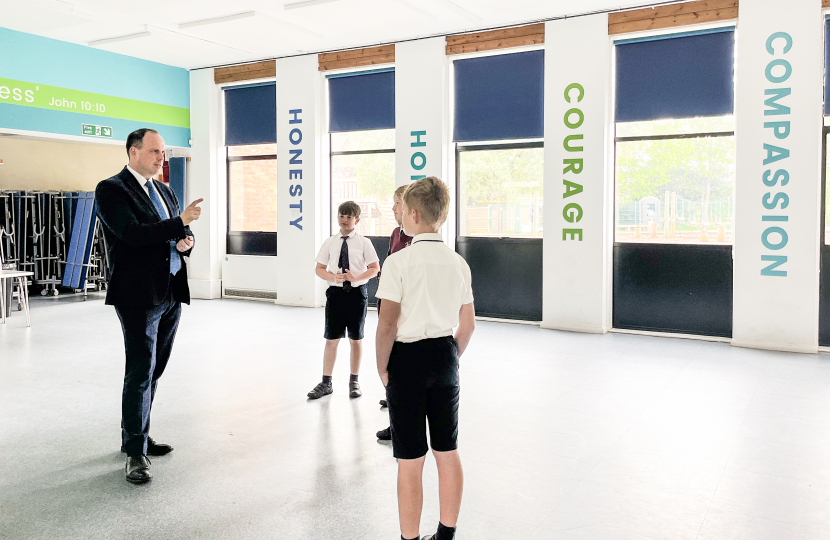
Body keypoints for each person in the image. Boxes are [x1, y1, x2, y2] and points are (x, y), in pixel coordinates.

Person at [96, 128, 202, 484]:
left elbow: (176, 233)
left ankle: (139, 433)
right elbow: (133, 235)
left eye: (163, 153)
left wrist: (187, 241)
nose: (161, 158)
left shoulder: (165, 190)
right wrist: (180, 223)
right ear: (133, 152)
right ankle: (135, 453)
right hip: (138, 295)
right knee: (140, 371)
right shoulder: (111, 189)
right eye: (155, 151)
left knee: (155, 369)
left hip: (170, 290)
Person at [375, 177, 475, 540]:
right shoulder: (458, 264)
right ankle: (445, 534)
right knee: (447, 451)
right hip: (445, 356)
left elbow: (387, 324)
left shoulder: (399, 263)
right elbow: (468, 325)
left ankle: (410, 538)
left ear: (413, 214)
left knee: (410, 459)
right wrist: (450, 356)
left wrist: (383, 367)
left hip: (407, 361)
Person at [308, 201, 380, 400]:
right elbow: (319, 268)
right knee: (331, 339)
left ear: (357, 220)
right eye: (342, 216)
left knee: (356, 339)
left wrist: (356, 278)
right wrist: (333, 277)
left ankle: (354, 381)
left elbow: (375, 267)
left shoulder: (364, 243)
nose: (345, 220)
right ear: (337, 217)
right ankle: (326, 382)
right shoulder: (330, 242)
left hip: (357, 295)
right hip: (336, 295)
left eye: (349, 217)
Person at [376, 184, 412, 441]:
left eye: (397, 203)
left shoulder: (417, 240)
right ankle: (394, 396)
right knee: (391, 365)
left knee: (399, 367)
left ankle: (398, 424)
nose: (393, 208)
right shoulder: (394, 234)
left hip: (406, 312)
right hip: (388, 305)